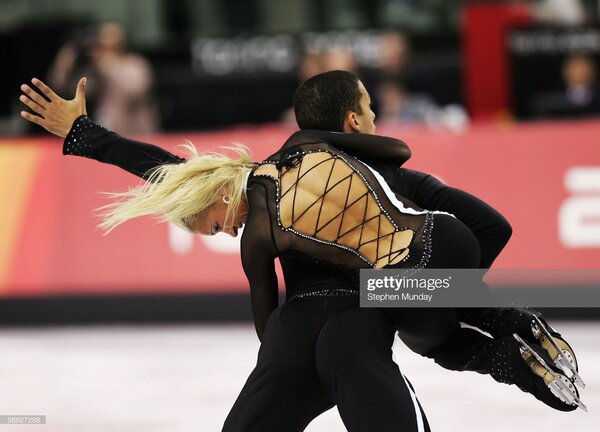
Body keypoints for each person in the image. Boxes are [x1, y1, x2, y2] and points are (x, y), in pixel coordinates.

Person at [20, 72, 583, 426]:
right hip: (411, 273)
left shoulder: (270, 203)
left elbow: (165, 172)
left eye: (215, 225)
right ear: (351, 123)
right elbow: (489, 227)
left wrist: (85, 136)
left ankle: (497, 336)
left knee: (414, 318)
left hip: (356, 307)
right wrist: (458, 293)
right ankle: (501, 328)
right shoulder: (358, 163)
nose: (225, 233)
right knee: (419, 318)